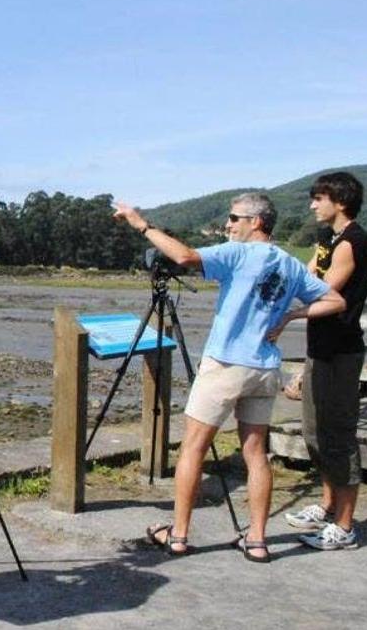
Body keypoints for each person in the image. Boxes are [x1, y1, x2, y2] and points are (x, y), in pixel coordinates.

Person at [113, 193, 344, 562]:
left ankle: (179, 535)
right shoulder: (290, 263)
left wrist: (141, 224)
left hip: (225, 364)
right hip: (264, 367)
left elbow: (185, 256)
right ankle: (256, 539)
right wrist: (288, 317)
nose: (228, 224)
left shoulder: (237, 253)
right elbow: (335, 301)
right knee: (256, 453)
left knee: (193, 447)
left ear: (256, 222)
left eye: (235, 218)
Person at [272, 172, 367, 550]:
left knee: (338, 435)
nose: (313, 204)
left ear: (340, 201)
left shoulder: (353, 242)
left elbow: (323, 292)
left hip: (341, 352)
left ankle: (345, 527)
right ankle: (330, 507)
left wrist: (287, 317)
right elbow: (306, 273)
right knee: (315, 433)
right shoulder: (327, 239)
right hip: (321, 349)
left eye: (319, 198)